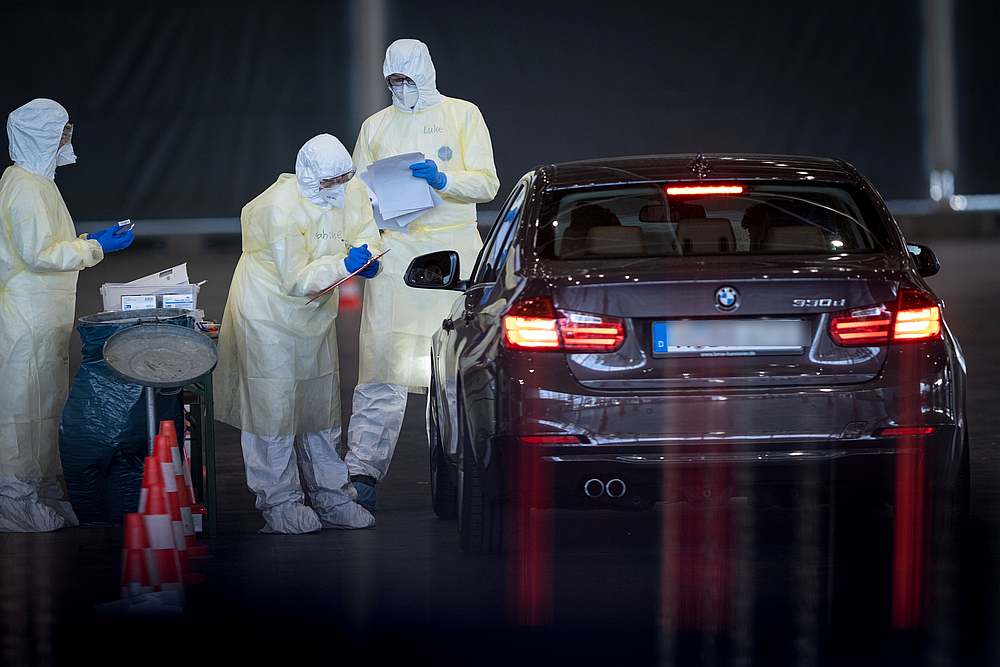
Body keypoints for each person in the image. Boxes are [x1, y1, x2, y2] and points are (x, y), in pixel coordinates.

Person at [347, 38, 500, 512]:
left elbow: (488, 183)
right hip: (396, 255)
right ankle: (361, 473)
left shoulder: (462, 115)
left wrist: (444, 180)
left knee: (452, 373)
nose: (401, 87)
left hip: (451, 256)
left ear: (426, 73)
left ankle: (461, 469)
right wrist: (364, 247)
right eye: (394, 80)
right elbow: (356, 196)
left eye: (407, 78)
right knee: (381, 368)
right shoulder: (375, 126)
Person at [215, 134, 382, 534]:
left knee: (320, 404)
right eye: (329, 182)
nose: (338, 189)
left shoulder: (350, 189)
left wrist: (369, 256)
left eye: (344, 179)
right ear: (309, 176)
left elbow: (364, 231)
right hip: (268, 313)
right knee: (272, 409)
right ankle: (280, 502)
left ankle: (333, 496)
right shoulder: (278, 208)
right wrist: (346, 266)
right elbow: (295, 279)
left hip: (314, 314)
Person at [0, 98, 135, 532]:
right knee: (22, 410)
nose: (66, 139)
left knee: (43, 408)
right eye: (61, 131)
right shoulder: (24, 186)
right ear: (41, 135)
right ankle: (14, 501)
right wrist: (95, 247)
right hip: (25, 318)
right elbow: (39, 254)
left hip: (42, 317)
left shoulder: (39, 183)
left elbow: (48, 242)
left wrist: (88, 239)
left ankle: (41, 491)